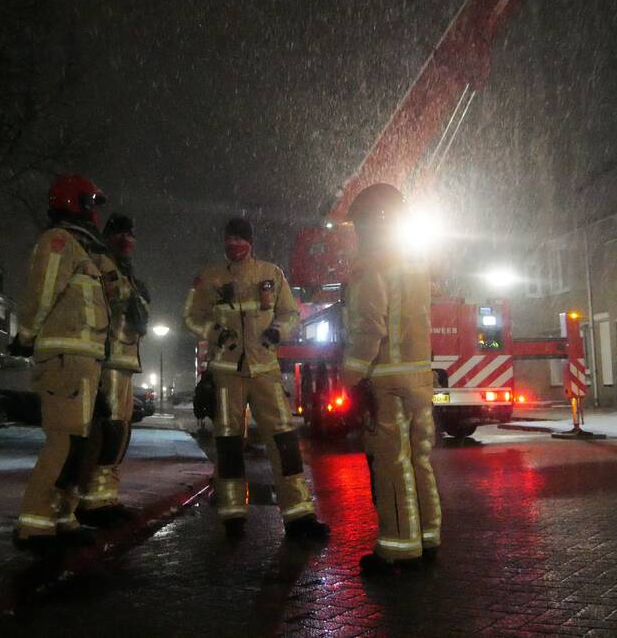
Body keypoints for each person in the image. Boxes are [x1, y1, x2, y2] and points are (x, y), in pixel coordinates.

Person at [183, 217, 329, 540]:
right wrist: (215, 333)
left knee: (284, 440)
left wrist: (278, 331)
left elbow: (290, 313)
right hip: (227, 373)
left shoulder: (271, 274)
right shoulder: (210, 277)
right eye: (229, 238)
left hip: (265, 370)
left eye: (240, 238)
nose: (234, 244)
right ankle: (233, 514)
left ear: (251, 242)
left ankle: (299, 515)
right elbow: (191, 317)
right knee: (229, 442)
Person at [341, 184, 442, 574]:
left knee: (390, 463)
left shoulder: (371, 266)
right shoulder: (416, 263)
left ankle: (398, 548)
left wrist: (349, 377)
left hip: (386, 379)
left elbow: (368, 328)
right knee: (420, 459)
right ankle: (427, 536)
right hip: (418, 376)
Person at [11, 173, 111, 552]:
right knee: (63, 441)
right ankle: (34, 525)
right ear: (77, 203)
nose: (96, 213)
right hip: (66, 358)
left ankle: (62, 517)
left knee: (79, 442)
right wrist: (26, 335)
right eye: (92, 203)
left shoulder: (82, 249)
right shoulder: (59, 243)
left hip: (84, 360)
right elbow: (41, 292)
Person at [75, 213, 150, 526]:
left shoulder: (125, 272)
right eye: (120, 233)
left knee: (120, 432)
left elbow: (140, 315)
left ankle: (106, 497)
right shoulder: (100, 264)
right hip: (106, 361)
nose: (127, 240)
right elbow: (111, 303)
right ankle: (90, 500)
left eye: (130, 234)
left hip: (125, 362)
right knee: (104, 431)